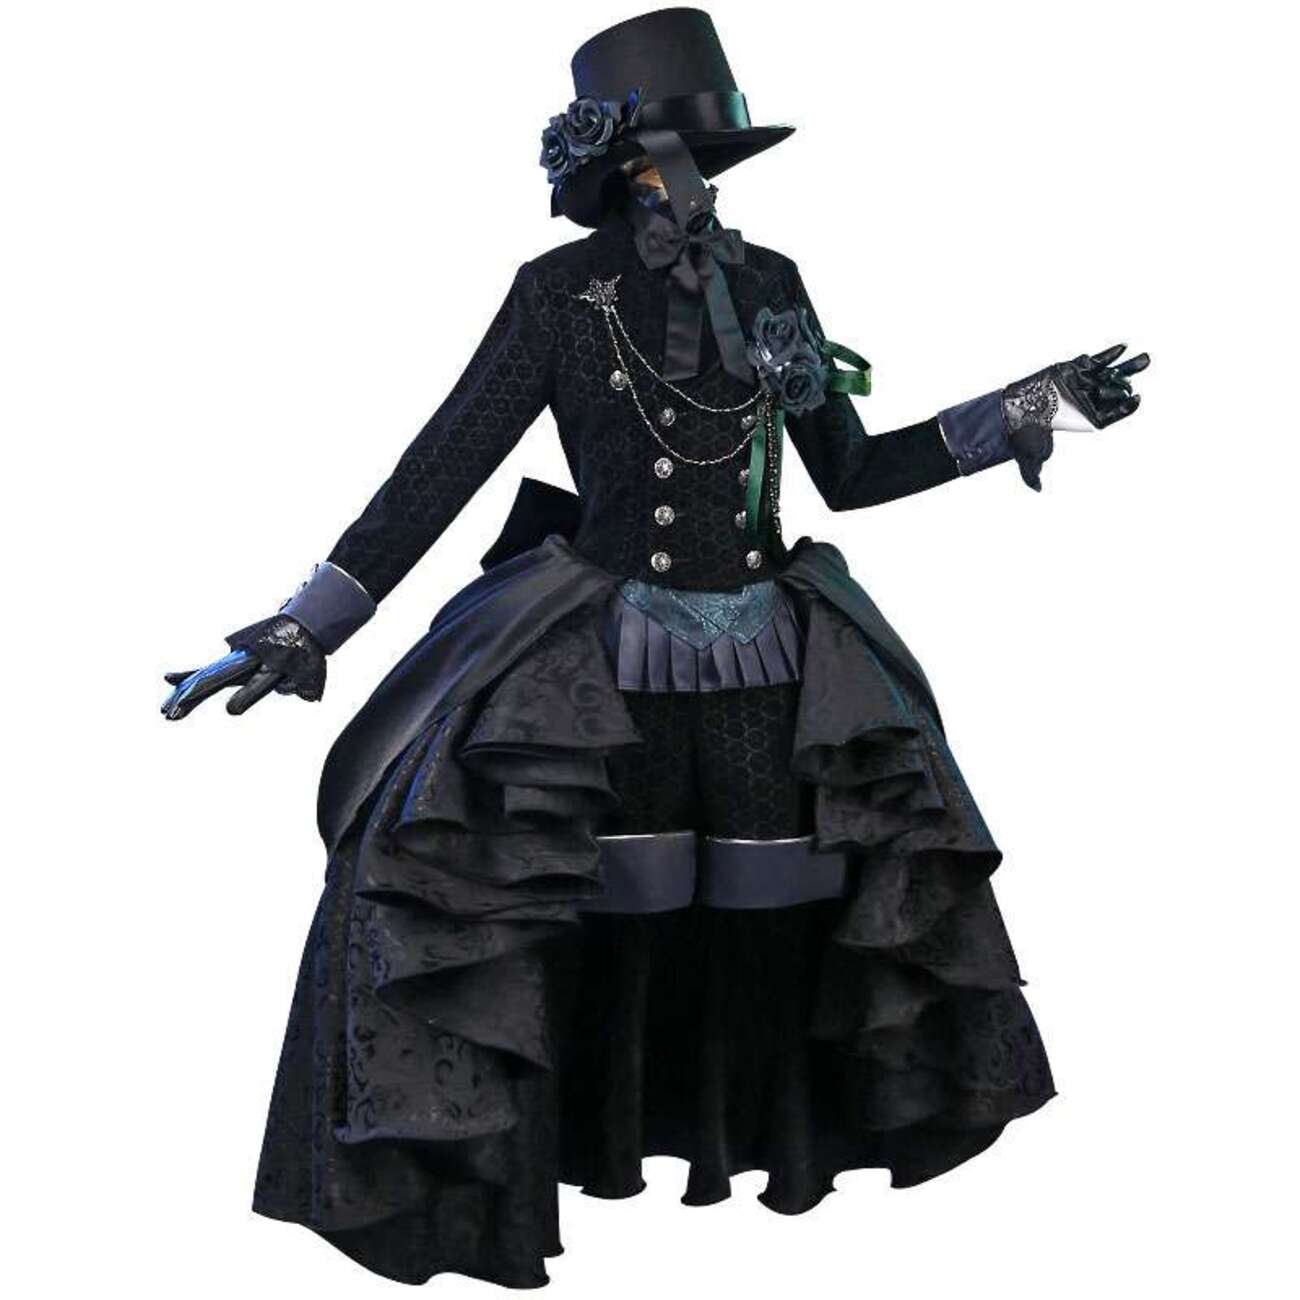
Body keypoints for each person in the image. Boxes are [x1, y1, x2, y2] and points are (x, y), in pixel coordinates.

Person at [162, 8, 1148, 1288]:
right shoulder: (557, 295)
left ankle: (756, 1150)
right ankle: (549, 1163)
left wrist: (1034, 405)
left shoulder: (772, 283)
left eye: (709, 159)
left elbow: (851, 472)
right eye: (678, 157)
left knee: (774, 911)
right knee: (535, 899)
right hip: (592, 660)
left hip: (770, 658)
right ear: (626, 167)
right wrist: (307, 625)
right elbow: (442, 467)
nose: (697, 185)